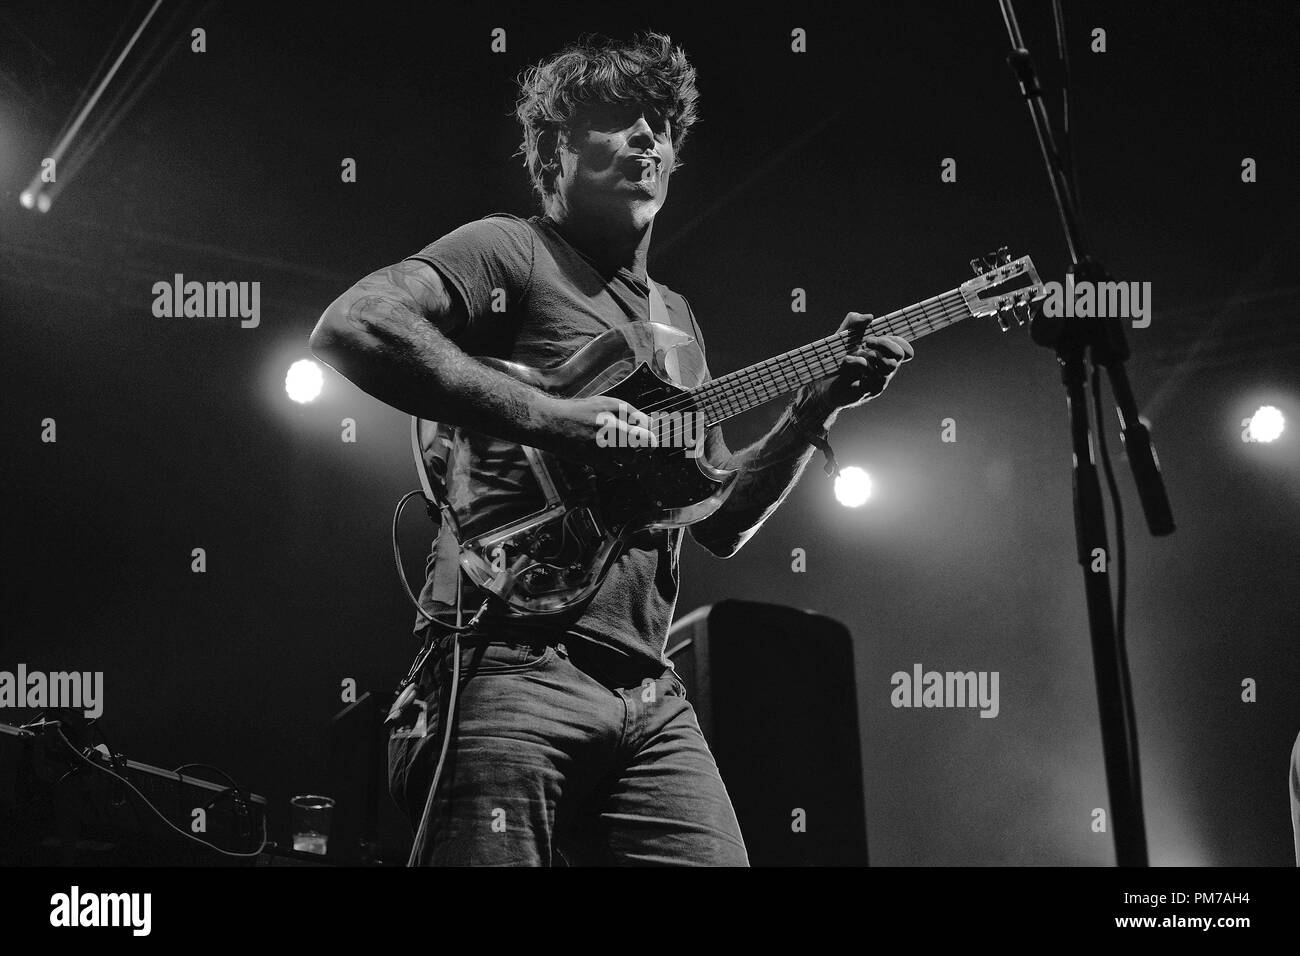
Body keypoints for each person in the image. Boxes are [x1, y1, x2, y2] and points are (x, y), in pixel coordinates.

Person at [309, 31, 912, 866]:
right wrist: (557, 419)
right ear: (553, 150)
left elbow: (721, 519)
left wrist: (818, 407)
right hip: (507, 668)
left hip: (650, 691)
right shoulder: (509, 249)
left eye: (661, 124)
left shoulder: (677, 319)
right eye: (617, 118)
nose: (647, 138)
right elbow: (355, 325)